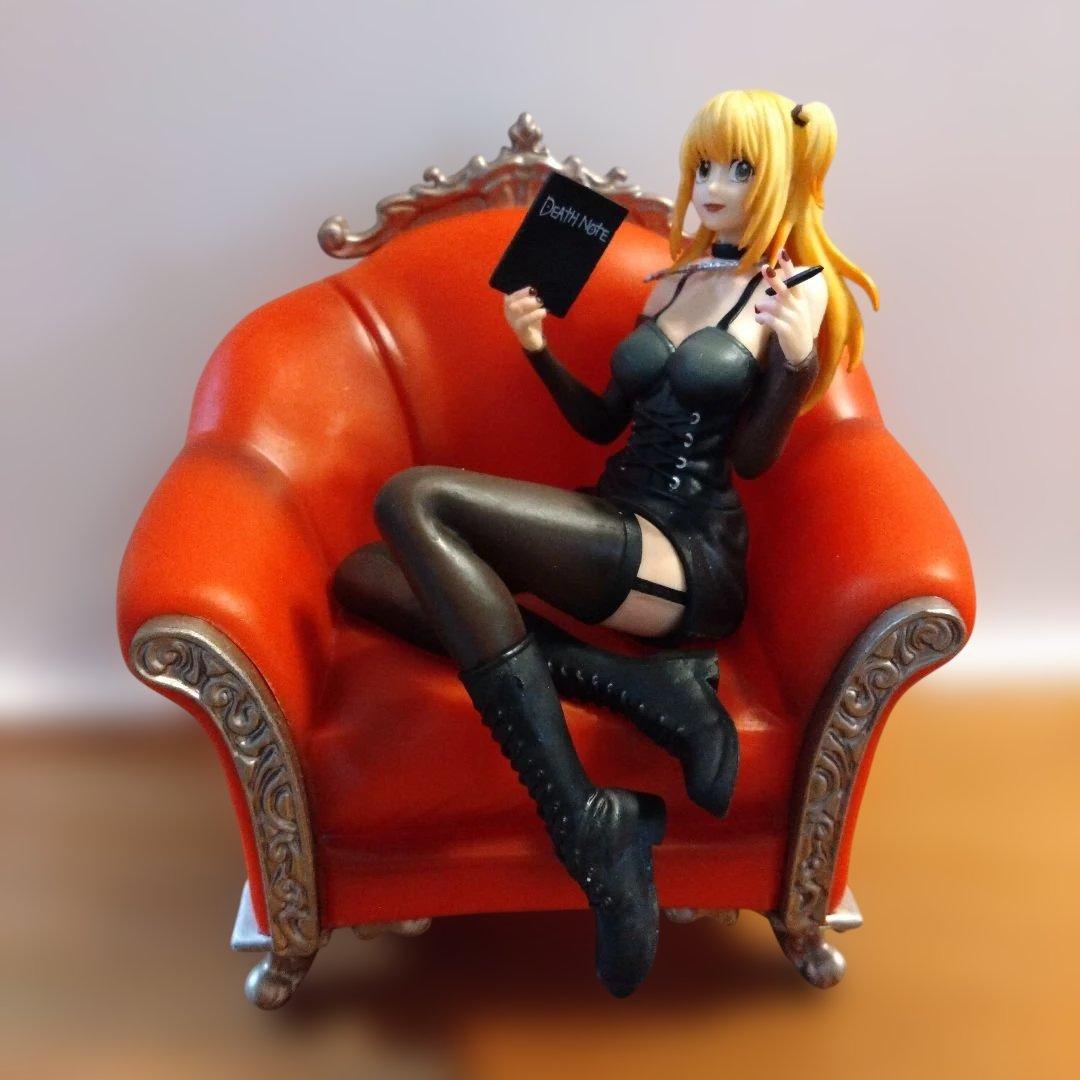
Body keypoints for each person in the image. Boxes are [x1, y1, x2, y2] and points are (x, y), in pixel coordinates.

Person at [332, 88, 879, 997]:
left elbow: (752, 456)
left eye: (739, 169)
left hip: (687, 556)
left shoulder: (792, 293)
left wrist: (790, 364)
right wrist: (536, 349)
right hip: (614, 519)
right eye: (704, 165)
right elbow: (601, 425)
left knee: (412, 499)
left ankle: (587, 820)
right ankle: (638, 686)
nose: (713, 185)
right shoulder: (674, 283)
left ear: (781, 176)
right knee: (366, 575)